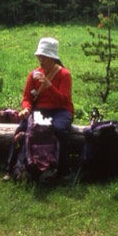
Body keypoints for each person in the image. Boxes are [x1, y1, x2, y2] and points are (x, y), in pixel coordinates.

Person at [16, 37, 74, 177]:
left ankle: (63, 169)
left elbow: (63, 100)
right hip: (41, 109)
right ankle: (16, 166)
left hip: (61, 110)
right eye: (40, 57)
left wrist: (49, 86)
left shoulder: (64, 74)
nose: (41, 60)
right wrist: (26, 109)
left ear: (53, 58)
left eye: (45, 57)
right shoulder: (34, 74)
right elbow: (27, 98)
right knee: (23, 128)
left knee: (59, 130)